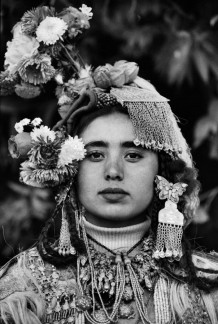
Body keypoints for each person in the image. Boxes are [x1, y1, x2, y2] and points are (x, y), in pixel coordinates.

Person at [0, 4, 218, 324]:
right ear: (70, 168)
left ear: (163, 172)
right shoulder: (19, 291)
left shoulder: (208, 287)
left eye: (133, 155)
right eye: (95, 154)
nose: (112, 171)